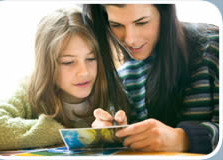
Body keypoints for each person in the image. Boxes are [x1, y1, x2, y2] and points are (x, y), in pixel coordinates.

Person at [0, 8, 130, 151]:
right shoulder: (29, 90)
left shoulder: (110, 89)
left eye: (91, 59)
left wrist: (113, 133)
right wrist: (64, 133)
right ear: (46, 66)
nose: (84, 72)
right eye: (68, 62)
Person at [83, 4, 219, 154]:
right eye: (116, 25)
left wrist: (183, 139)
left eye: (142, 22)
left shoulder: (215, 47)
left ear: (165, 13)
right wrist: (114, 134)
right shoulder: (126, 76)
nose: (130, 40)